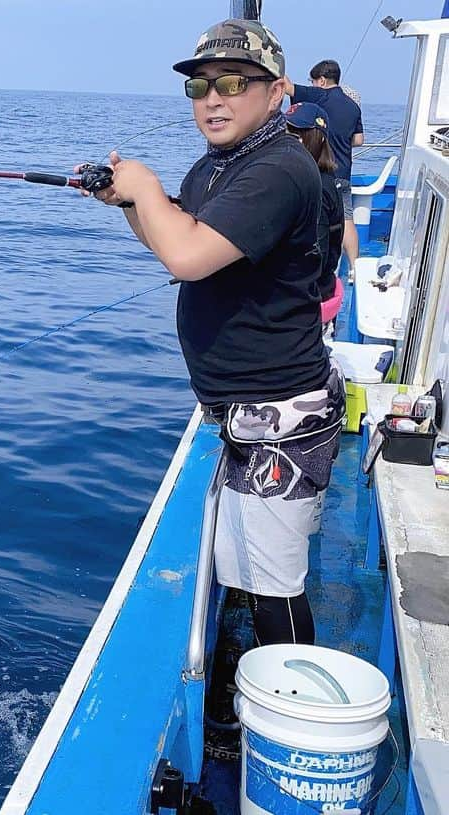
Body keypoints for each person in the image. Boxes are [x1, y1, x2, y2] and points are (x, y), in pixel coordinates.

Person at [85, 19, 344, 647]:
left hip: (282, 411)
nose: (213, 98)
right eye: (199, 87)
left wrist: (146, 186)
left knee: (276, 587)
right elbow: (174, 242)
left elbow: (187, 259)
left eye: (233, 82)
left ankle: (289, 702)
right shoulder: (218, 167)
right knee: (248, 570)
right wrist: (131, 205)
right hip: (238, 406)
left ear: (278, 90)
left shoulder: (278, 170)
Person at [284, 60, 364, 271]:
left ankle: (317, 270)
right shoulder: (353, 106)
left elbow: (285, 85)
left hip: (321, 171)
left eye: (312, 81)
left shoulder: (318, 95)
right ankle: (355, 268)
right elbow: (358, 140)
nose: (311, 85)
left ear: (321, 80)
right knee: (346, 220)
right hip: (344, 172)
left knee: (315, 221)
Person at [284, 101, 345, 329]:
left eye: (295, 135)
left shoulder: (315, 188)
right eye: (284, 132)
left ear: (314, 139)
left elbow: (312, 260)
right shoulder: (324, 179)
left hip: (310, 299)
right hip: (321, 287)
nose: (285, 141)